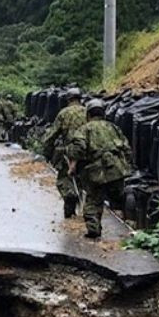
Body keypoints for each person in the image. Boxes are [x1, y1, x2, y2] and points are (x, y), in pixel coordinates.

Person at [66, 99, 131, 239]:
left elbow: (77, 149)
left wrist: (72, 166)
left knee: (93, 200)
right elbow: (126, 148)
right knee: (119, 197)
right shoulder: (114, 128)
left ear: (88, 114)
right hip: (117, 169)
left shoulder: (85, 129)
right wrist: (127, 166)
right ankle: (127, 222)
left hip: (96, 171)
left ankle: (94, 229)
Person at [40, 88, 88, 218]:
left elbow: (52, 134)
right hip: (88, 152)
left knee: (65, 180)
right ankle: (89, 214)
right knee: (87, 182)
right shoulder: (88, 112)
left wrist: (47, 152)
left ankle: (70, 209)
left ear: (68, 99)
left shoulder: (64, 113)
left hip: (70, 153)